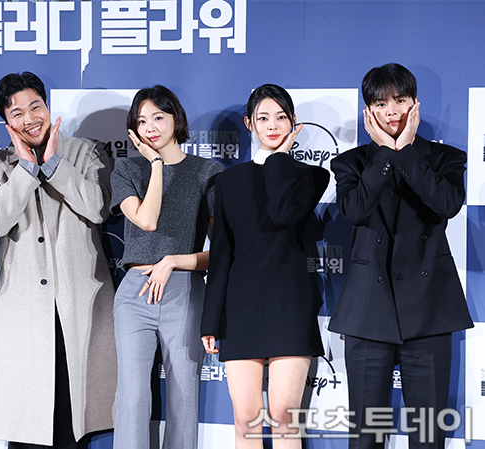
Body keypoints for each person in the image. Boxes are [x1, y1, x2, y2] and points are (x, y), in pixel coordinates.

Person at [329, 63, 473, 449]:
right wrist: (384, 154)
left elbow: (447, 204)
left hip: (429, 312)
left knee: (428, 435)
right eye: (380, 103)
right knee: (367, 436)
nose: (391, 111)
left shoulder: (446, 159)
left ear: (415, 104)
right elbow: (355, 210)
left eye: (400, 100)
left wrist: (406, 152)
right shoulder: (350, 163)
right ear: (368, 112)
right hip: (367, 313)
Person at [0, 72, 116, 449]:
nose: (29, 118)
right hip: (25, 307)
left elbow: (98, 208)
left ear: (47, 106)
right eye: (17, 113)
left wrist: (54, 164)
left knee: (74, 418)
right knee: (28, 422)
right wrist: (25, 170)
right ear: (7, 122)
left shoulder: (85, 152)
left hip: (80, 300)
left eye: (35, 106)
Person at [201, 84, 328, 449]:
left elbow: (282, 213)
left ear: (293, 123)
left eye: (281, 117)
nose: (272, 126)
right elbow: (221, 253)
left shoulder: (311, 176)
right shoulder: (226, 182)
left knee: (284, 417)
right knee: (246, 420)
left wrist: (277, 159)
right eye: (263, 118)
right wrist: (211, 321)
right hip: (240, 308)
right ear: (249, 124)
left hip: (289, 304)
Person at [110, 85, 222, 449]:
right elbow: (147, 220)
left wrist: (173, 261)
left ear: (176, 119)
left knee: (184, 393)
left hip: (185, 290)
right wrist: (156, 165)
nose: (150, 128)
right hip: (135, 290)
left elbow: (222, 251)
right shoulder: (127, 169)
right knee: (131, 396)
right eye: (142, 121)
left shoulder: (207, 171)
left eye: (158, 117)